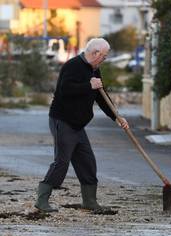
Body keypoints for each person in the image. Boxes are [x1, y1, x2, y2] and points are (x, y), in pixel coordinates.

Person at [34, 38, 129, 212]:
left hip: (78, 125)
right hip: (62, 120)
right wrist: (88, 85)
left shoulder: (95, 70)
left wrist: (116, 117)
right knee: (62, 162)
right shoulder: (72, 66)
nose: (104, 60)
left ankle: (89, 201)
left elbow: (101, 97)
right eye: (104, 56)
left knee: (87, 162)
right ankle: (42, 200)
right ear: (95, 53)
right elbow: (64, 90)